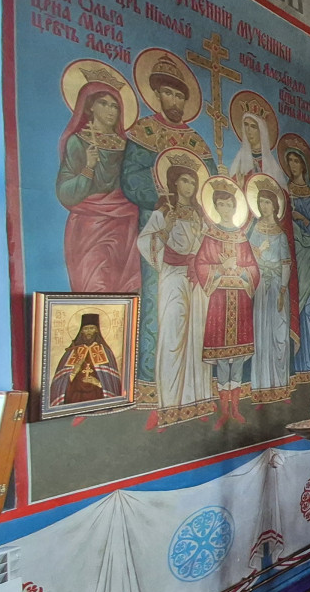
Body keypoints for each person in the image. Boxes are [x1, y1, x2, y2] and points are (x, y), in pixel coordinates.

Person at [120, 52, 217, 409]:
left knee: (198, 325)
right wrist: (162, 200)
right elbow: (131, 178)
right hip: (163, 247)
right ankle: (154, 388)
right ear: (157, 95)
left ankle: (197, 392)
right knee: (161, 318)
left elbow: (212, 191)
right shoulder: (144, 132)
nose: (174, 101)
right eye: (168, 93)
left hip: (197, 256)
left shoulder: (197, 143)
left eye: (179, 95)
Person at [136, 159, 212, 427]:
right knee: (172, 335)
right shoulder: (164, 211)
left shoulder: (201, 215)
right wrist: (166, 228)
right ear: (174, 183)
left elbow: (207, 247)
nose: (189, 186)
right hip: (172, 275)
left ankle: (198, 400)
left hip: (196, 279)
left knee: (197, 337)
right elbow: (145, 242)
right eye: (184, 180)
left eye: (193, 181)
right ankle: (168, 404)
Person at [56, 72, 140, 293]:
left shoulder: (128, 148)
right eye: (103, 104)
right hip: (90, 225)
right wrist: (88, 168)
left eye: (115, 106)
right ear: (90, 106)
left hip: (126, 225)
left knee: (127, 292)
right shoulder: (77, 142)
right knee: (94, 286)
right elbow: (65, 192)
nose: (111, 111)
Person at [192, 183, 259, 427]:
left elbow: (254, 268)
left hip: (240, 302)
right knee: (222, 358)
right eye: (220, 204)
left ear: (235, 207)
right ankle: (224, 411)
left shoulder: (242, 238)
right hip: (219, 301)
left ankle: (236, 409)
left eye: (229, 204)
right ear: (215, 207)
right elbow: (200, 264)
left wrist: (240, 270)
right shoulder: (211, 236)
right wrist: (221, 268)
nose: (225, 208)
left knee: (238, 357)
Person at [247, 181, 298, 401]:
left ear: (275, 206)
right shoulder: (254, 230)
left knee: (279, 333)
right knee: (261, 333)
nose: (264, 206)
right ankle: (261, 386)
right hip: (261, 285)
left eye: (267, 202)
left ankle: (280, 384)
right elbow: (246, 258)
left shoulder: (281, 234)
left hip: (277, 286)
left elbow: (286, 263)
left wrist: (283, 290)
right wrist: (258, 251)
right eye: (261, 202)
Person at [282, 143, 310, 381]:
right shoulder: (285, 192)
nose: (293, 165)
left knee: (309, 308)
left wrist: (301, 219)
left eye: (296, 161)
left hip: (309, 256)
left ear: (304, 165)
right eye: (289, 161)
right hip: (292, 254)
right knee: (293, 307)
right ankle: (296, 365)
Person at [49, 313, 125, 406]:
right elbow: (60, 382)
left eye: (91, 328)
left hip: (97, 397)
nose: (88, 331)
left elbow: (111, 381)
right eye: (86, 329)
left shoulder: (105, 351)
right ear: (81, 331)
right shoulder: (72, 351)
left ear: (97, 330)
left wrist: (98, 383)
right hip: (74, 396)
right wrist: (73, 372)